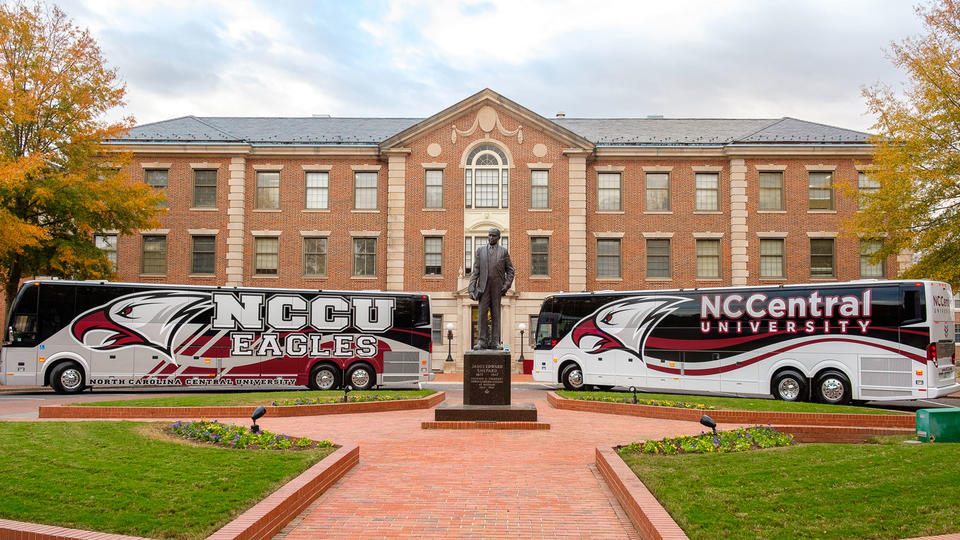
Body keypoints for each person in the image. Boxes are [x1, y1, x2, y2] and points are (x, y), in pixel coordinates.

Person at [468, 228, 515, 350]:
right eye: (489, 235)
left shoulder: (503, 252)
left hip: (497, 287)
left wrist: (506, 285)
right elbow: (475, 271)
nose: (491, 238)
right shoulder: (480, 251)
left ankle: (495, 342)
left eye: (493, 236)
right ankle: (482, 341)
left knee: (495, 314)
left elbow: (510, 270)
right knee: (482, 314)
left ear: (498, 238)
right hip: (483, 287)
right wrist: (471, 288)